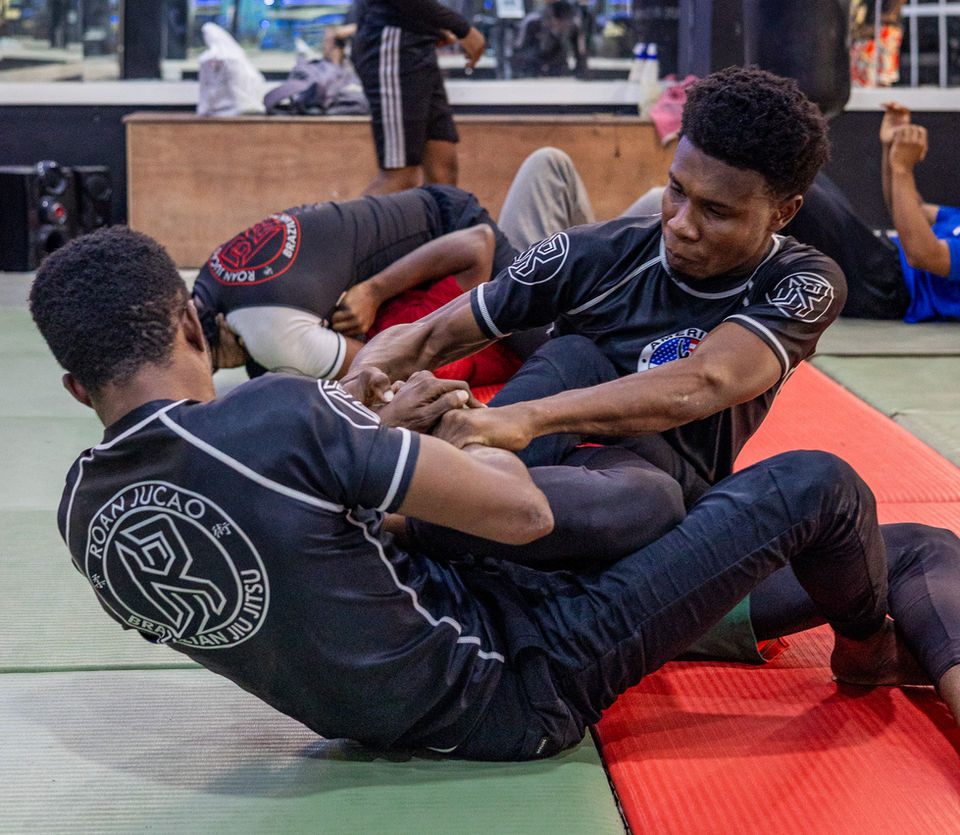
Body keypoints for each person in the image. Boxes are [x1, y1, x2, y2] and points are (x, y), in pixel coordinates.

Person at [29, 226, 960, 760]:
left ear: (77, 388)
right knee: (820, 483)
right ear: (194, 320)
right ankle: (871, 651)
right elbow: (521, 513)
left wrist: (369, 441)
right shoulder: (275, 414)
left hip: (382, 698)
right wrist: (429, 434)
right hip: (520, 679)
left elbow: (305, 558)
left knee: (583, 390)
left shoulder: (79, 509)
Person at [349, 67, 842, 499]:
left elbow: (702, 382)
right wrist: (354, 390)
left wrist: (526, 418)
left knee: (683, 495)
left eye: (716, 211)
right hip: (538, 460)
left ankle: (438, 501)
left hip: (664, 480)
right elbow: (429, 334)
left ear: (782, 213)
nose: (681, 224)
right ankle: (424, 501)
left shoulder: (804, 282)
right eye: (676, 191)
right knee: (573, 356)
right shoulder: (593, 251)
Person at [192, 148, 595, 383]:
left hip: (452, 230)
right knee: (548, 168)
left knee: (573, 363)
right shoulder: (212, 285)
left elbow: (478, 244)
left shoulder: (398, 336)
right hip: (429, 245)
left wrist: (374, 290)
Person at [783, 102, 960, 321]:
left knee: (794, 184)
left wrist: (902, 168)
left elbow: (921, 255)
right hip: (884, 260)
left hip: (890, 288)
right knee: (804, 175)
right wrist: (891, 149)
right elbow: (913, 212)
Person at [352, 0, 486, 194]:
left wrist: (433, 30)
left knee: (443, 173)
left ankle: (436, 225)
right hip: (393, 45)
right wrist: (462, 29)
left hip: (418, 46)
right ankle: (347, 225)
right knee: (400, 176)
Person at [512, 0, 588, 79]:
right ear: (549, 17)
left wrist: (580, 73)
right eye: (558, 24)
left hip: (558, 67)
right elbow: (518, 49)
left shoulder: (575, 25)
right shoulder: (532, 22)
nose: (561, 28)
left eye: (564, 25)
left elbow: (580, 54)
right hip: (532, 66)